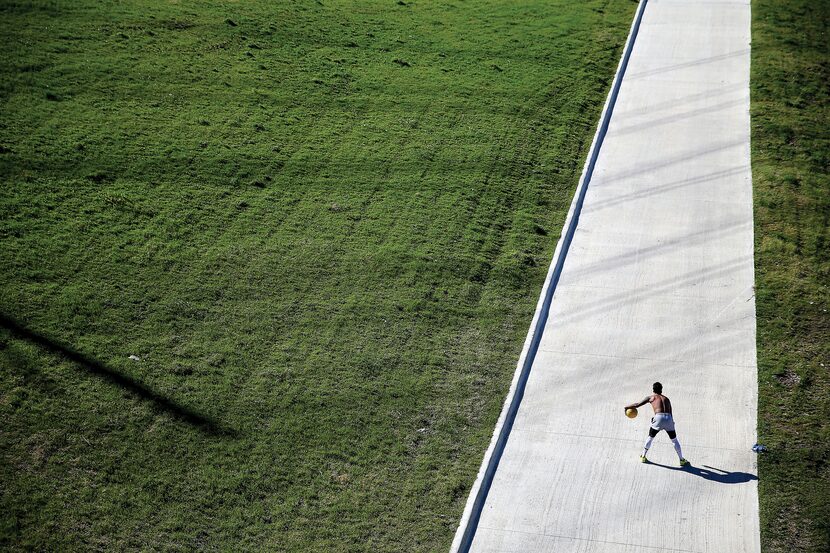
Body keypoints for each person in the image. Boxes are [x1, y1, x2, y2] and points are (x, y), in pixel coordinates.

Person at [625, 382, 689, 466]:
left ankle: (643, 456)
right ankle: (681, 459)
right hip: (669, 418)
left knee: (650, 437)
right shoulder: (666, 399)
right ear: (661, 390)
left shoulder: (651, 398)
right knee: (674, 440)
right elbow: (670, 411)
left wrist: (626, 407)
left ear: (653, 390)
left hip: (658, 418)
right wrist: (671, 421)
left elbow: (637, 405)